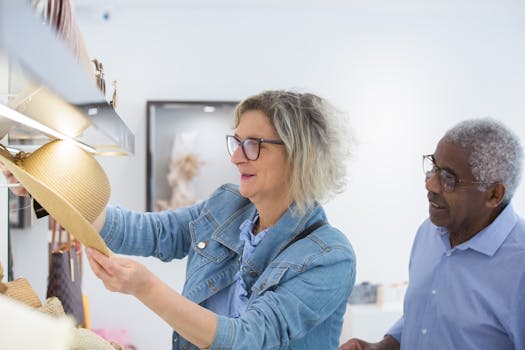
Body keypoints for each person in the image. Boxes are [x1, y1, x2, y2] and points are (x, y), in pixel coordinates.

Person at [5, 90, 356, 349]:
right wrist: (49, 193)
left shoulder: (329, 257)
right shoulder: (227, 205)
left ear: (300, 155)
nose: (236, 157)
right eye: (236, 142)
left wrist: (144, 287)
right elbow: (151, 233)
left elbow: (249, 339)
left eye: (253, 144)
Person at [339, 117, 525, 350]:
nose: (431, 185)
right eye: (433, 168)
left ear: (493, 195)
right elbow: (423, 315)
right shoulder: (429, 232)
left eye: (449, 178)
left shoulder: (519, 267)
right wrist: (383, 346)